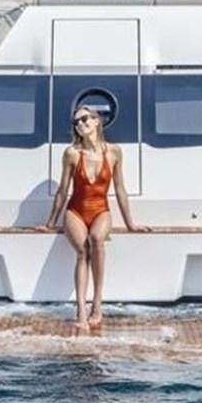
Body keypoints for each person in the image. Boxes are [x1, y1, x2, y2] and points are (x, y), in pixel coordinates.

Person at [40, 103, 149, 328]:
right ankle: (81, 310)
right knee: (83, 251)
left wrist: (130, 224)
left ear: (97, 121)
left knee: (97, 239)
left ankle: (97, 305)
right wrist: (50, 223)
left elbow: (120, 189)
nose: (80, 124)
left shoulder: (114, 152)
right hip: (76, 211)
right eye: (76, 122)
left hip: (100, 210)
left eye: (85, 119)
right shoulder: (72, 154)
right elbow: (63, 190)